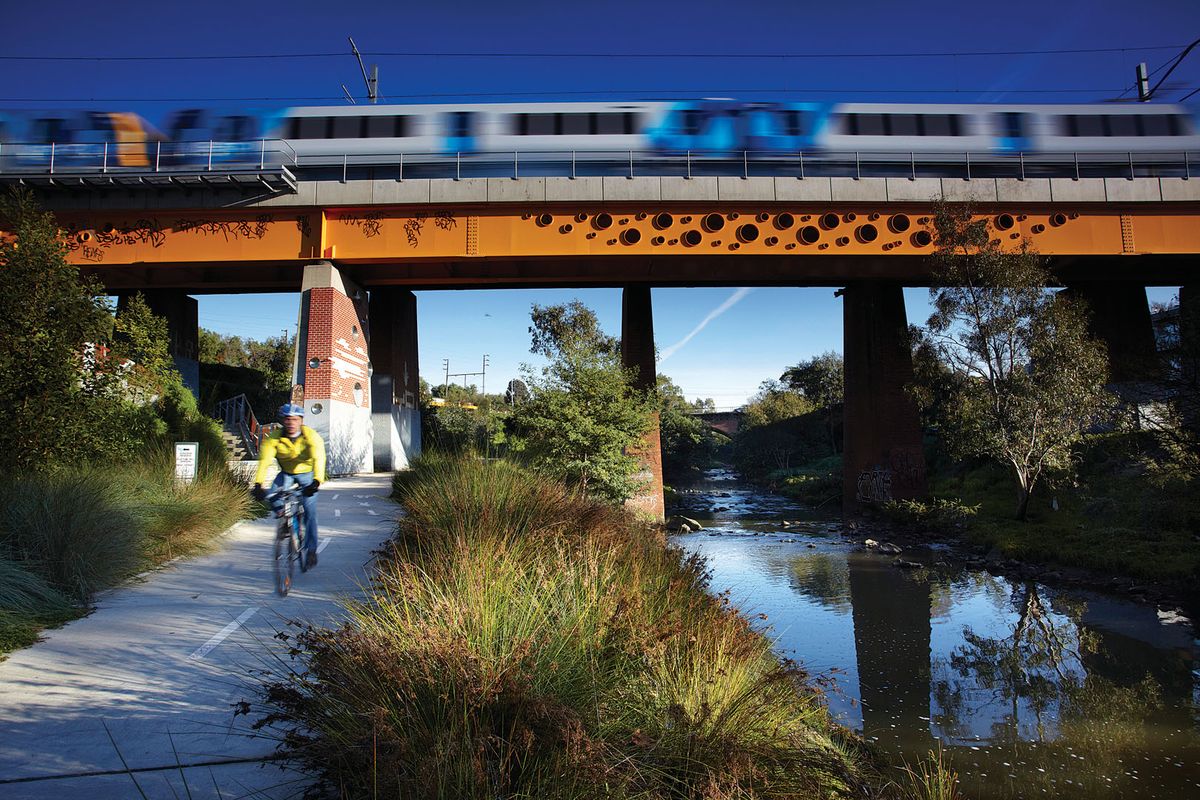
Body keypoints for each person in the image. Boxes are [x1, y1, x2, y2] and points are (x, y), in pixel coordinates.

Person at [253, 403, 326, 569]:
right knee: (272, 494)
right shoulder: (275, 438)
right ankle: (284, 518)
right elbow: (264, 462)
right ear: (283, 421)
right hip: (286, 473)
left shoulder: (310, 436)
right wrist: (258, 484)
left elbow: (319, 458)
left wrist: (316, 481)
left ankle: (312, 550)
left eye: (295, 419)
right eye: (287, 419)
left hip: (307, 474)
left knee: (310, 512)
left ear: (301, 420)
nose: (291, 423)